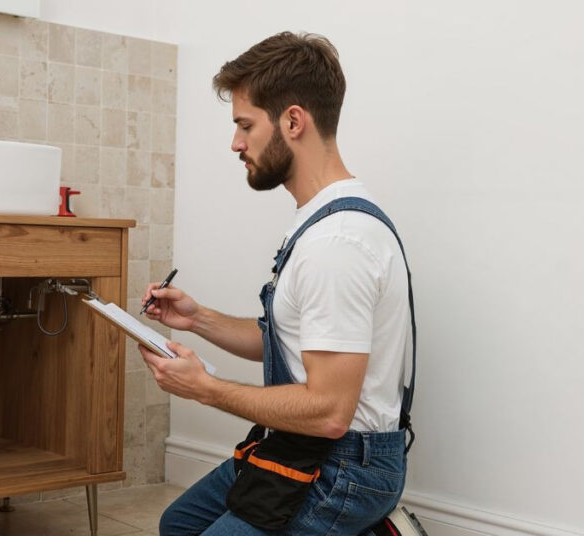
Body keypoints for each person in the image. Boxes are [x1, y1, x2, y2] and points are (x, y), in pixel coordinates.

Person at [139, 31, 416, 535]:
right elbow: (290, 340)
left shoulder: (337, 244)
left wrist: (205, 389)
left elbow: (329, 412)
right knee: (178, 525)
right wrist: (197, 319)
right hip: (303, 444)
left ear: (293, 121)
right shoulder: (319, 221)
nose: (235, 143)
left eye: (245, 125)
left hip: (344, 469)